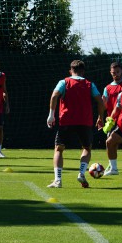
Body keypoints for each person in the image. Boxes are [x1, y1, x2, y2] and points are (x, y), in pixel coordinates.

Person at [46, 60, 105, 188]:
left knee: (59, 149)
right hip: (85, 122)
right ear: (83, 72)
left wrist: (51, 115)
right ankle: (81, 173)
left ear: (70, 71)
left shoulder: (64, 82)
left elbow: (54, 96)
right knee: (87, 148)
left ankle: (58, 180)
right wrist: (101, 118)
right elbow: (100, 101)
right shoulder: (90, 84)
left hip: (66, 120)